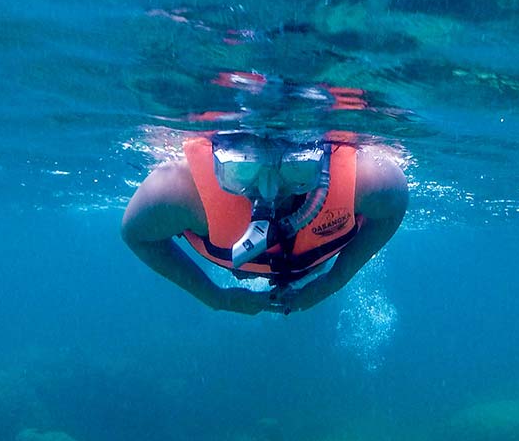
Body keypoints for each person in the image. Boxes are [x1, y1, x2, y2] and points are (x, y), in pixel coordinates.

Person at [121, 131, 407, 314]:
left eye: (297, 169)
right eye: (243, 170)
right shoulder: (181, 191)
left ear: (322, 167)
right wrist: (213, 296)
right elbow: (136, 233)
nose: (270, 192)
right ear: (218, 164)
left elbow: (393, 208)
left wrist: (335, 279)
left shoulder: (370, 182)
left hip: (307, 263)